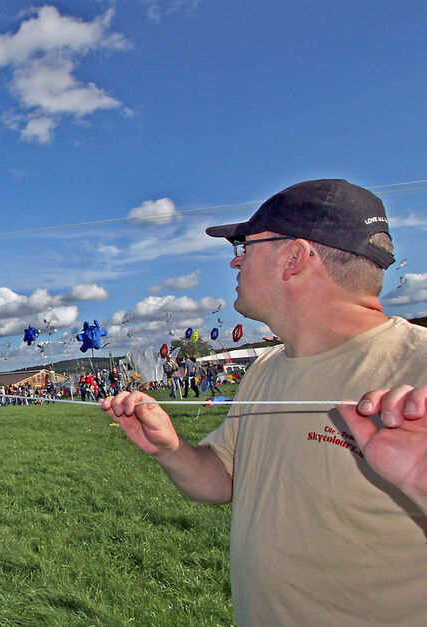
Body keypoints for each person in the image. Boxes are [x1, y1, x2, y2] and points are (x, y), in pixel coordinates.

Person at [101, 179, 427, 625]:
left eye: (244, 246)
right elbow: (225, 480)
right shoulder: (267, 368)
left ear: (294, 258)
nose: (235, 260)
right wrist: (171, 449)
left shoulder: (419, 369)